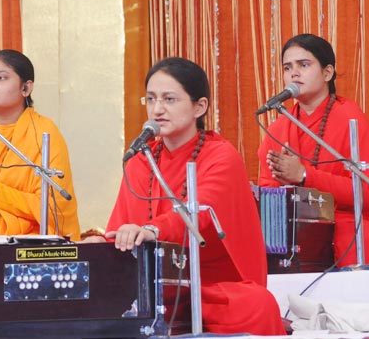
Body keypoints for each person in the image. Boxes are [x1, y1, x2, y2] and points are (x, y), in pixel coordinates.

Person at [86, 58, 285, 335]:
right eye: (151, 99)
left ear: (199, 107)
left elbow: (199, 213)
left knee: (258, 305)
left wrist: (152, 230)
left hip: (208, 286)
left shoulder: (221, 156)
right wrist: (104, 242)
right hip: (153, 287)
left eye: (169, 99)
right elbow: (121, 227)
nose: (157, 110)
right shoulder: (140, 161)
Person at [258, 33, 369, 265]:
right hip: (290, 230)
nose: (294, 73)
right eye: (287, 67)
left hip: (344, 223)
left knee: (362, 237)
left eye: (304, 65)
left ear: (327, 73)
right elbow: (267, 194)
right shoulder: (278, 128)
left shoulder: (350, 119)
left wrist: (304, 176)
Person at [0, 50, 80, 239]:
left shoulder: (45, 133)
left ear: (26, 89)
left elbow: (54, 207)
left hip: (33, 249)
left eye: (1, 78)